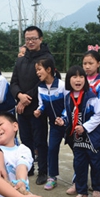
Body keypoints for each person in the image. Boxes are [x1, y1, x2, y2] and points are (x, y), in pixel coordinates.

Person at [56, 66, 100, 197]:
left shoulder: (90, 96)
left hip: (93, 139)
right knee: (79, 166)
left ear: (85, 80)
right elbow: (68, 114)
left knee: (98, 168)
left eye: (81, 77)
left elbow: (99, 115)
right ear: (69, 80)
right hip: (77, 140)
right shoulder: (68, 98)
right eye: (74, 77)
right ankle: (82, 194)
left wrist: (85, 127)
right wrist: (63, 120)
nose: (78, 80)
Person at [10, 26, 53, 185]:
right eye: (27, 39)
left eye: (34, 38)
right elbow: (13, 82)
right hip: (22, 107)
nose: (30, 41)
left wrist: (27, 98)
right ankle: (28, 167)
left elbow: (44, 81)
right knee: (25, 139)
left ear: (40, 39)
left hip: (38, 107)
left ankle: (43, 171)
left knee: (40, 140)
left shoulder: (47, 58)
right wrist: (19, 96)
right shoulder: (21, 60)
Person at [33, 57, 66, 190]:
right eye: (36, 70)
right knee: (52, 149)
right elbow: (42, 104)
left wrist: (63, 118)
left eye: (39, 69)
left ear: (49, 70)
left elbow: (68, 105)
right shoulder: (40, 87)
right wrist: (39, 110)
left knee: (78, 151)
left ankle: (78, 179)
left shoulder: (62, 86)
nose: (37, 72)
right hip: (54, 125)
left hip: (67, 124)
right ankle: (52, 177)